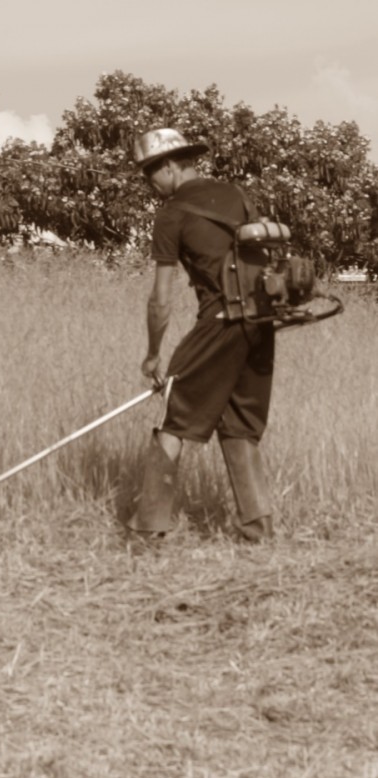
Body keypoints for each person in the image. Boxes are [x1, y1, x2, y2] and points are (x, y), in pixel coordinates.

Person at [127, 127, 275, 542]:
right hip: (261, 322)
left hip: (220, 322)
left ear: (170, 166)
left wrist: (153, 355)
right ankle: (256, 528)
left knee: (176, 417)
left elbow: (160, 299)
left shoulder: (171, 213)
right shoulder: (236, 194)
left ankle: (149, 528)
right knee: (241, 423)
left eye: (149, 173)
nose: (148, 183)